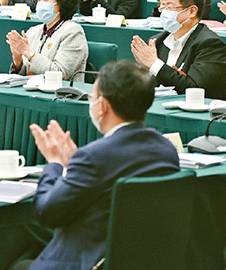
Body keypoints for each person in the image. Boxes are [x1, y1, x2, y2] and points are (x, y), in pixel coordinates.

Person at [24, 61, 179, 270]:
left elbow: (46, 213)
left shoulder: (94, 158)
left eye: (92, 97)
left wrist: (55, 164)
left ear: (103, 106)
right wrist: (74, 163)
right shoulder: (166, 149)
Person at [131, 0, 226, 98]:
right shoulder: (157, 41)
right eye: (162, 7)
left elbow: (194, 88)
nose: (164, 13)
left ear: (192, 11)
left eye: (169, 7)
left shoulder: (210, 44)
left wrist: (154, 64)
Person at [7, 0, 88, 81]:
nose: (40, 4)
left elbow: (60, 74)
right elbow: (23, 75)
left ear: (62, 3)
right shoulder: (33, 31)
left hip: (60, 90)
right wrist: (18, 61)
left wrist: (29, 53)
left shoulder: (73, 32)